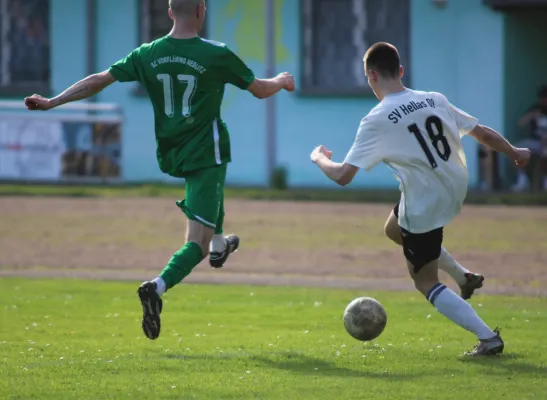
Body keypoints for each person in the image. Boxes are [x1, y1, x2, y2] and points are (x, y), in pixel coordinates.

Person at [24, 0, 294, 340]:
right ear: (200, 11)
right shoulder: (216, 53)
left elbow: (98, 81)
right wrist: (281, 81)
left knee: (211, 208)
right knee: (196, 241)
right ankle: (157, 285)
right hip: (204, 153)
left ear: (169, 13)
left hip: (173, 152)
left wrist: (52, 102)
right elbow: (259, 89)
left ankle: (220, 245)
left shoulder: (147, 53)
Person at [310, 42, 530, 356]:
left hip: (425, 200)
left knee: (424, 280)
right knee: (393, 229)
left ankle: (488, 338)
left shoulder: (377, 119)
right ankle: (463, 276)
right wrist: (514, 151)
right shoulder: (433, 99)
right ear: (400, 70)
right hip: (454, 187)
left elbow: (344, 176)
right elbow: (480, 132)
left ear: (371, 76)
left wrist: (318, 158)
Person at [511, 85, 547, 192]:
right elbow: (520, 123)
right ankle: (522, 179)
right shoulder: (535, 109)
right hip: (534, 142)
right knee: (515, 149)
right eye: (542, 98)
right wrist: (531, 115)